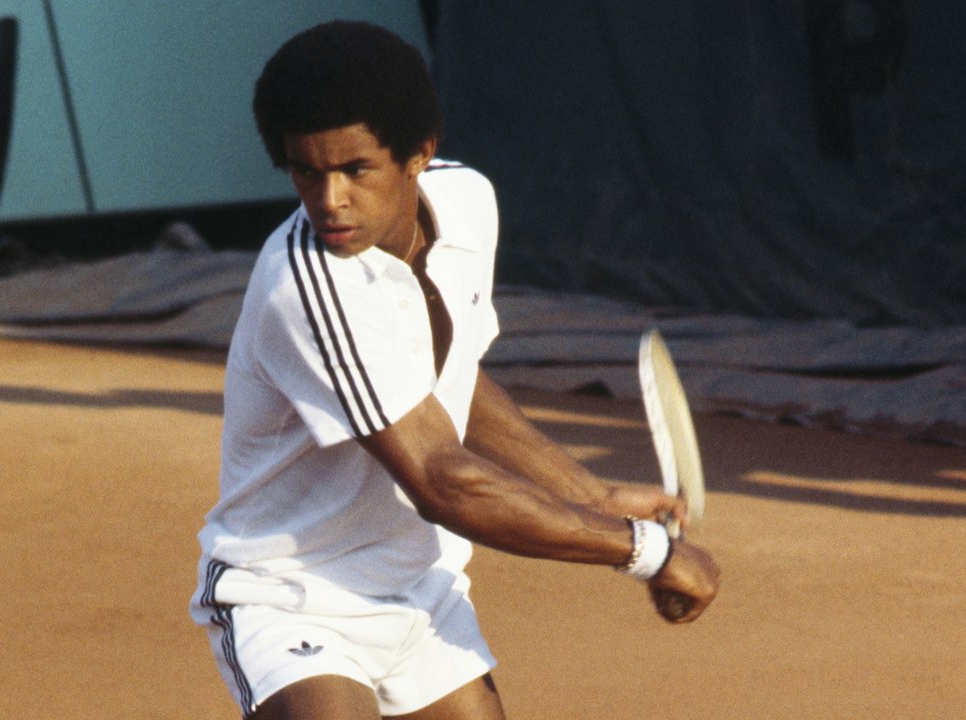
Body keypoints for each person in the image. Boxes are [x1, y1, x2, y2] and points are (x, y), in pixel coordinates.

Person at [190, 20, 720, 719]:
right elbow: (445, 481)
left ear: (419, 155)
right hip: (291, 594)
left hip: (419, 584)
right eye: (307, 172)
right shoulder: (309, 285)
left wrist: (588, 493)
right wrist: (643, 550)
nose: (330, 200)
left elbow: (453, 376)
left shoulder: (468, 203)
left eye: (356, 169)